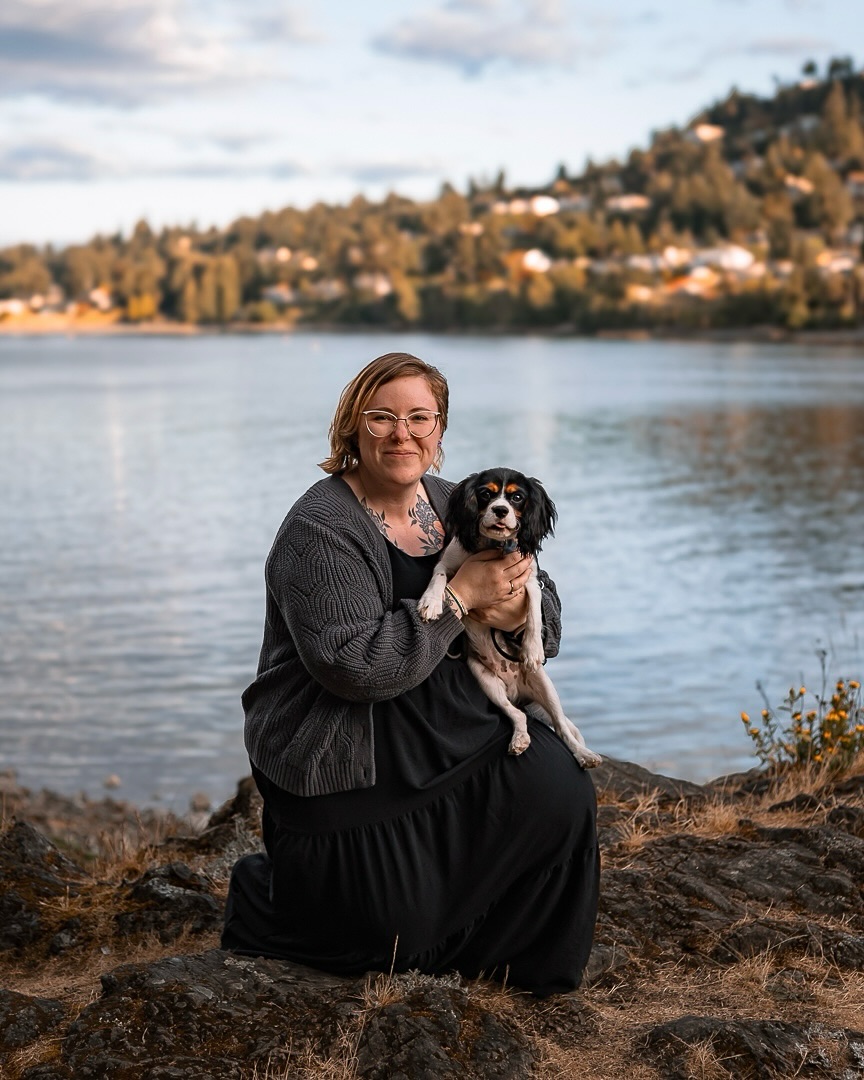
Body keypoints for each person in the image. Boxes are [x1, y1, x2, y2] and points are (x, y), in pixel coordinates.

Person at [222, 352, 599, 996]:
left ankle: (511, 961)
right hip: (353, 747)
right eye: (383, 417)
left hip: (456, 722)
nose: (404, 433)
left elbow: (548, 624)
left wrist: (508, 605)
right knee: (387, 937)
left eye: (420, 417)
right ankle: (268, 892)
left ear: (440, 430)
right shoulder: (320, 529)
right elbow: (356, 669)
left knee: (562, 793)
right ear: (352, 428)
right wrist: (459, 597)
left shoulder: (458, 501)